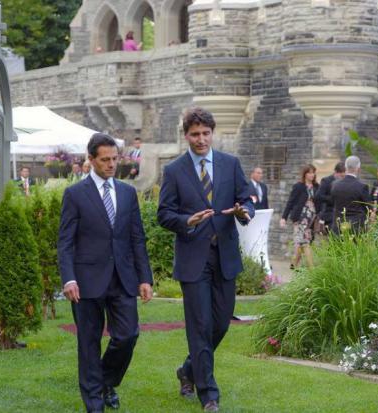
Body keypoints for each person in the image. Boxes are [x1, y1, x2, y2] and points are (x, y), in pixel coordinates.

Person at [157, 107, 254, 412]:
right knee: (199, 325)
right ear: (186, 135)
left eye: (205, 133)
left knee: (221, 323)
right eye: (195, 134)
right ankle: (208, 394)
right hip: (193, 259)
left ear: (213, 133)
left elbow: (247, 199)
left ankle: (188, 369)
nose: (200, 139)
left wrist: (243, 212)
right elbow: (164, 214)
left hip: (224, 256)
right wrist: (187, 220)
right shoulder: (174, 171)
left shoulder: (230, 163)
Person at [58, 133, 154, 413]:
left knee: (127, 335)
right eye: (105, 160)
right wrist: (69, 278)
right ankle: (94, 404)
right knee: (88, 343)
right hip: (85, 282)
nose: (112, 164)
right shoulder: (75, 194)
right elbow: (65, 241)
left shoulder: (127, 192)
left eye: (115, 159)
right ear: (91, 160)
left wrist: (144, 277)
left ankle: (104, 381)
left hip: (123, 278)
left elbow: (137, 238)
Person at [280, 164, 319, 269]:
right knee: (304, 242)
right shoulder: (298, 186)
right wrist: (284, 217)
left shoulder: (317, 187)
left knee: (300, 242)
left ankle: (293, 265)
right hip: (300, 218)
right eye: (310, 172)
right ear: (305, 174)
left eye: (313, 172)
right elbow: (290, 202)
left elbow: (320, 202)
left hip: (312, 219)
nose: (312, 175)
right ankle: (312, 268)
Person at [331, 155, 372, 235]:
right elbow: (368, 208)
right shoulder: (362, 187)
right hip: (356, 228)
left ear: (345, 168)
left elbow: (333, 202)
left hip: (338, 226)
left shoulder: (335, 185)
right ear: (358, 169)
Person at [315, 161, 345, 234]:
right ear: (335, 172)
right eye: (341, 175)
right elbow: (318, 196)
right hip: (329, 215)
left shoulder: (344, 182)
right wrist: (332, 199)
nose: (342, 177)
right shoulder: (326, 181)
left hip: (341, 215)